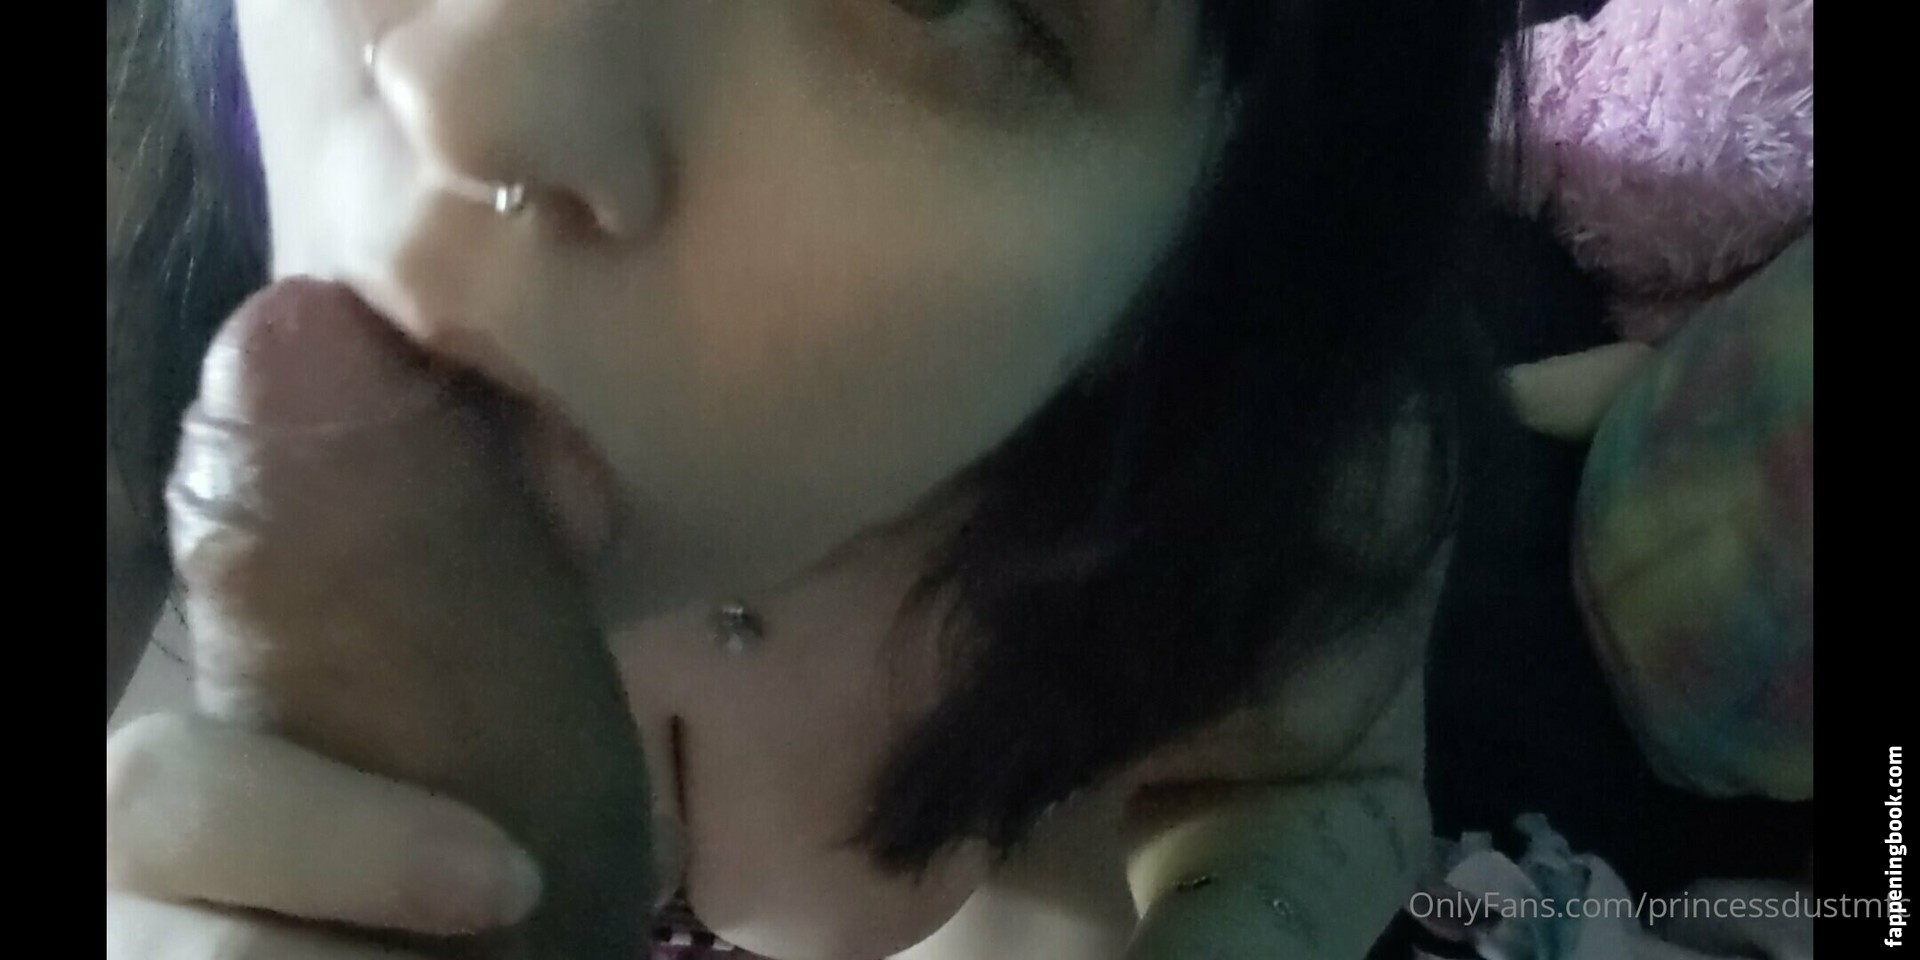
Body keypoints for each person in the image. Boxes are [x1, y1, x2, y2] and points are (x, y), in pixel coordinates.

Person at [105, 0, 1519, 956]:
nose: (472, 88)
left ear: (1219, 229)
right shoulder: (147, 269)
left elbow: (1323, 789)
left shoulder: (1279, 513)